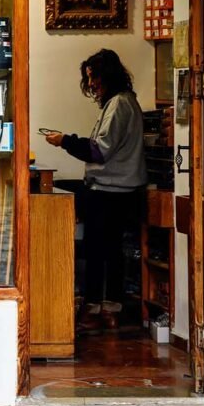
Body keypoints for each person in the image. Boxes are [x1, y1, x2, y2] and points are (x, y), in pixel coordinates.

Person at [45, 48, 147, 331]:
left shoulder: (119, 105)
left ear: (107, 76)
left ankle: (98, 307)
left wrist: (65, 140)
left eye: (94, 78)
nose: (91, 85)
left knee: (101, 251)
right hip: (114, 188)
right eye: (88, 79)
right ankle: (104, 306)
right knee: (107, 250)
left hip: (112, 190)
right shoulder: (121, 102)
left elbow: (99, 151)